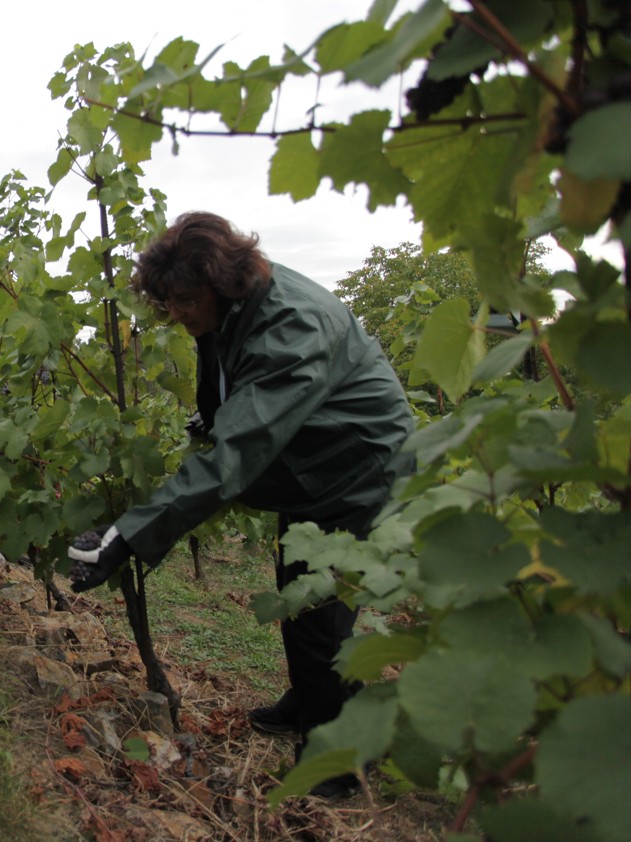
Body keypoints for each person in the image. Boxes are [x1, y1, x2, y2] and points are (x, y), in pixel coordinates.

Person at [68, 211, 414, 798]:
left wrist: (129, 532)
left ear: (220, 281)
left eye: (182, 300)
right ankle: (314, 700)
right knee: (300, 591)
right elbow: (230, 377)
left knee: (318, 610)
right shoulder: (234, 306)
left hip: (358, 465)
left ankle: (336, 763)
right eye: (166, 300)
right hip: (316, 458)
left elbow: (239, 452)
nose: (174, 312)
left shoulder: (290, 325)